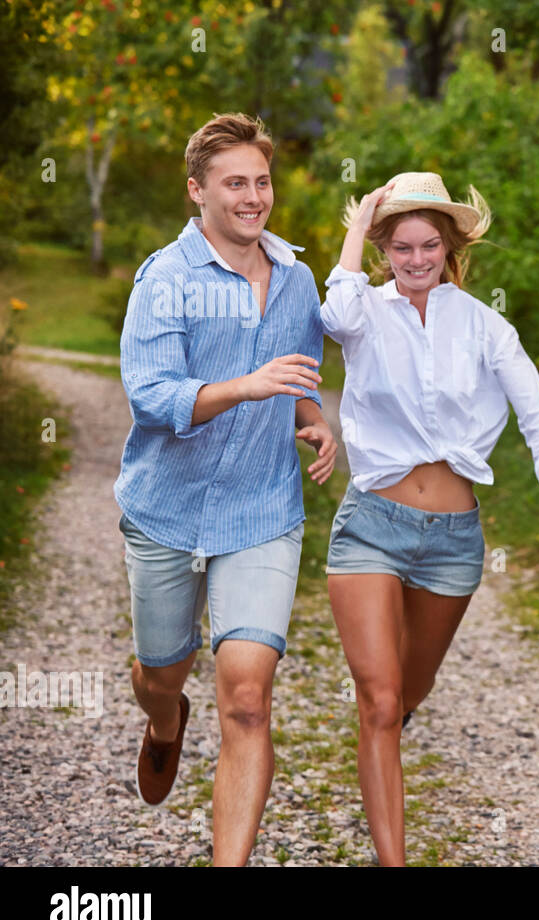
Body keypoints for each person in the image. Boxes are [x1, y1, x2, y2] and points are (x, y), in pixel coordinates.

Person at [321, 172, 539, 866]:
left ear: (450, 248)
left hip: (452, 542)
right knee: (379, 701)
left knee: (412, 687)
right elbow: (336, 317)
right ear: (385, 248)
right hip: (371, 526)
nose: (416, 260)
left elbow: (537, 411)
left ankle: (393, 718)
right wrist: (360, 226)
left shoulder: (483, 324)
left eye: (430, 247)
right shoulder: (365, 312)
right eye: (402, 246)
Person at [116, 112, 336, 866]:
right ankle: (164, 719)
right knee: (161, 672)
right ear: (197, 192)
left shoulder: (298, 279)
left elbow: (301, 371)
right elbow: (152, 396)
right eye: (234, 182)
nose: (253, 196)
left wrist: (313, 419)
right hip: (166, 511)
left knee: (246, 696)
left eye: (262, 181)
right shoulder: (165, 279)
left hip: (262, 510)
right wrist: (247, 387)